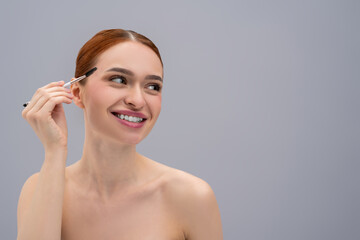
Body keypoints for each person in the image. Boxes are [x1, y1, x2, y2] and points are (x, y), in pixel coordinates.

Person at [17, 29, 223, 240]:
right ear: (78, 93)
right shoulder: (37, 190)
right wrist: (54, 152)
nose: (138, 100)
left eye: (152, 86)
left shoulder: (191, 197)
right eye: (119, 80)